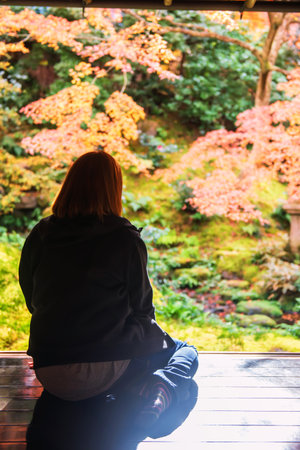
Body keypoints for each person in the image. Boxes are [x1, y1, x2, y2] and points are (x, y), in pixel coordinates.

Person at [19, 151, 198, 435]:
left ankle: (138, 382)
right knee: (185, 350)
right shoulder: (125, 238)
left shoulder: (40, 234)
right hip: (108, 367)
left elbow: (32, 299)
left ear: (69, 185)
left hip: (50, 370)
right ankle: (160, 385)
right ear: (114, 189)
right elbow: (143, 311)